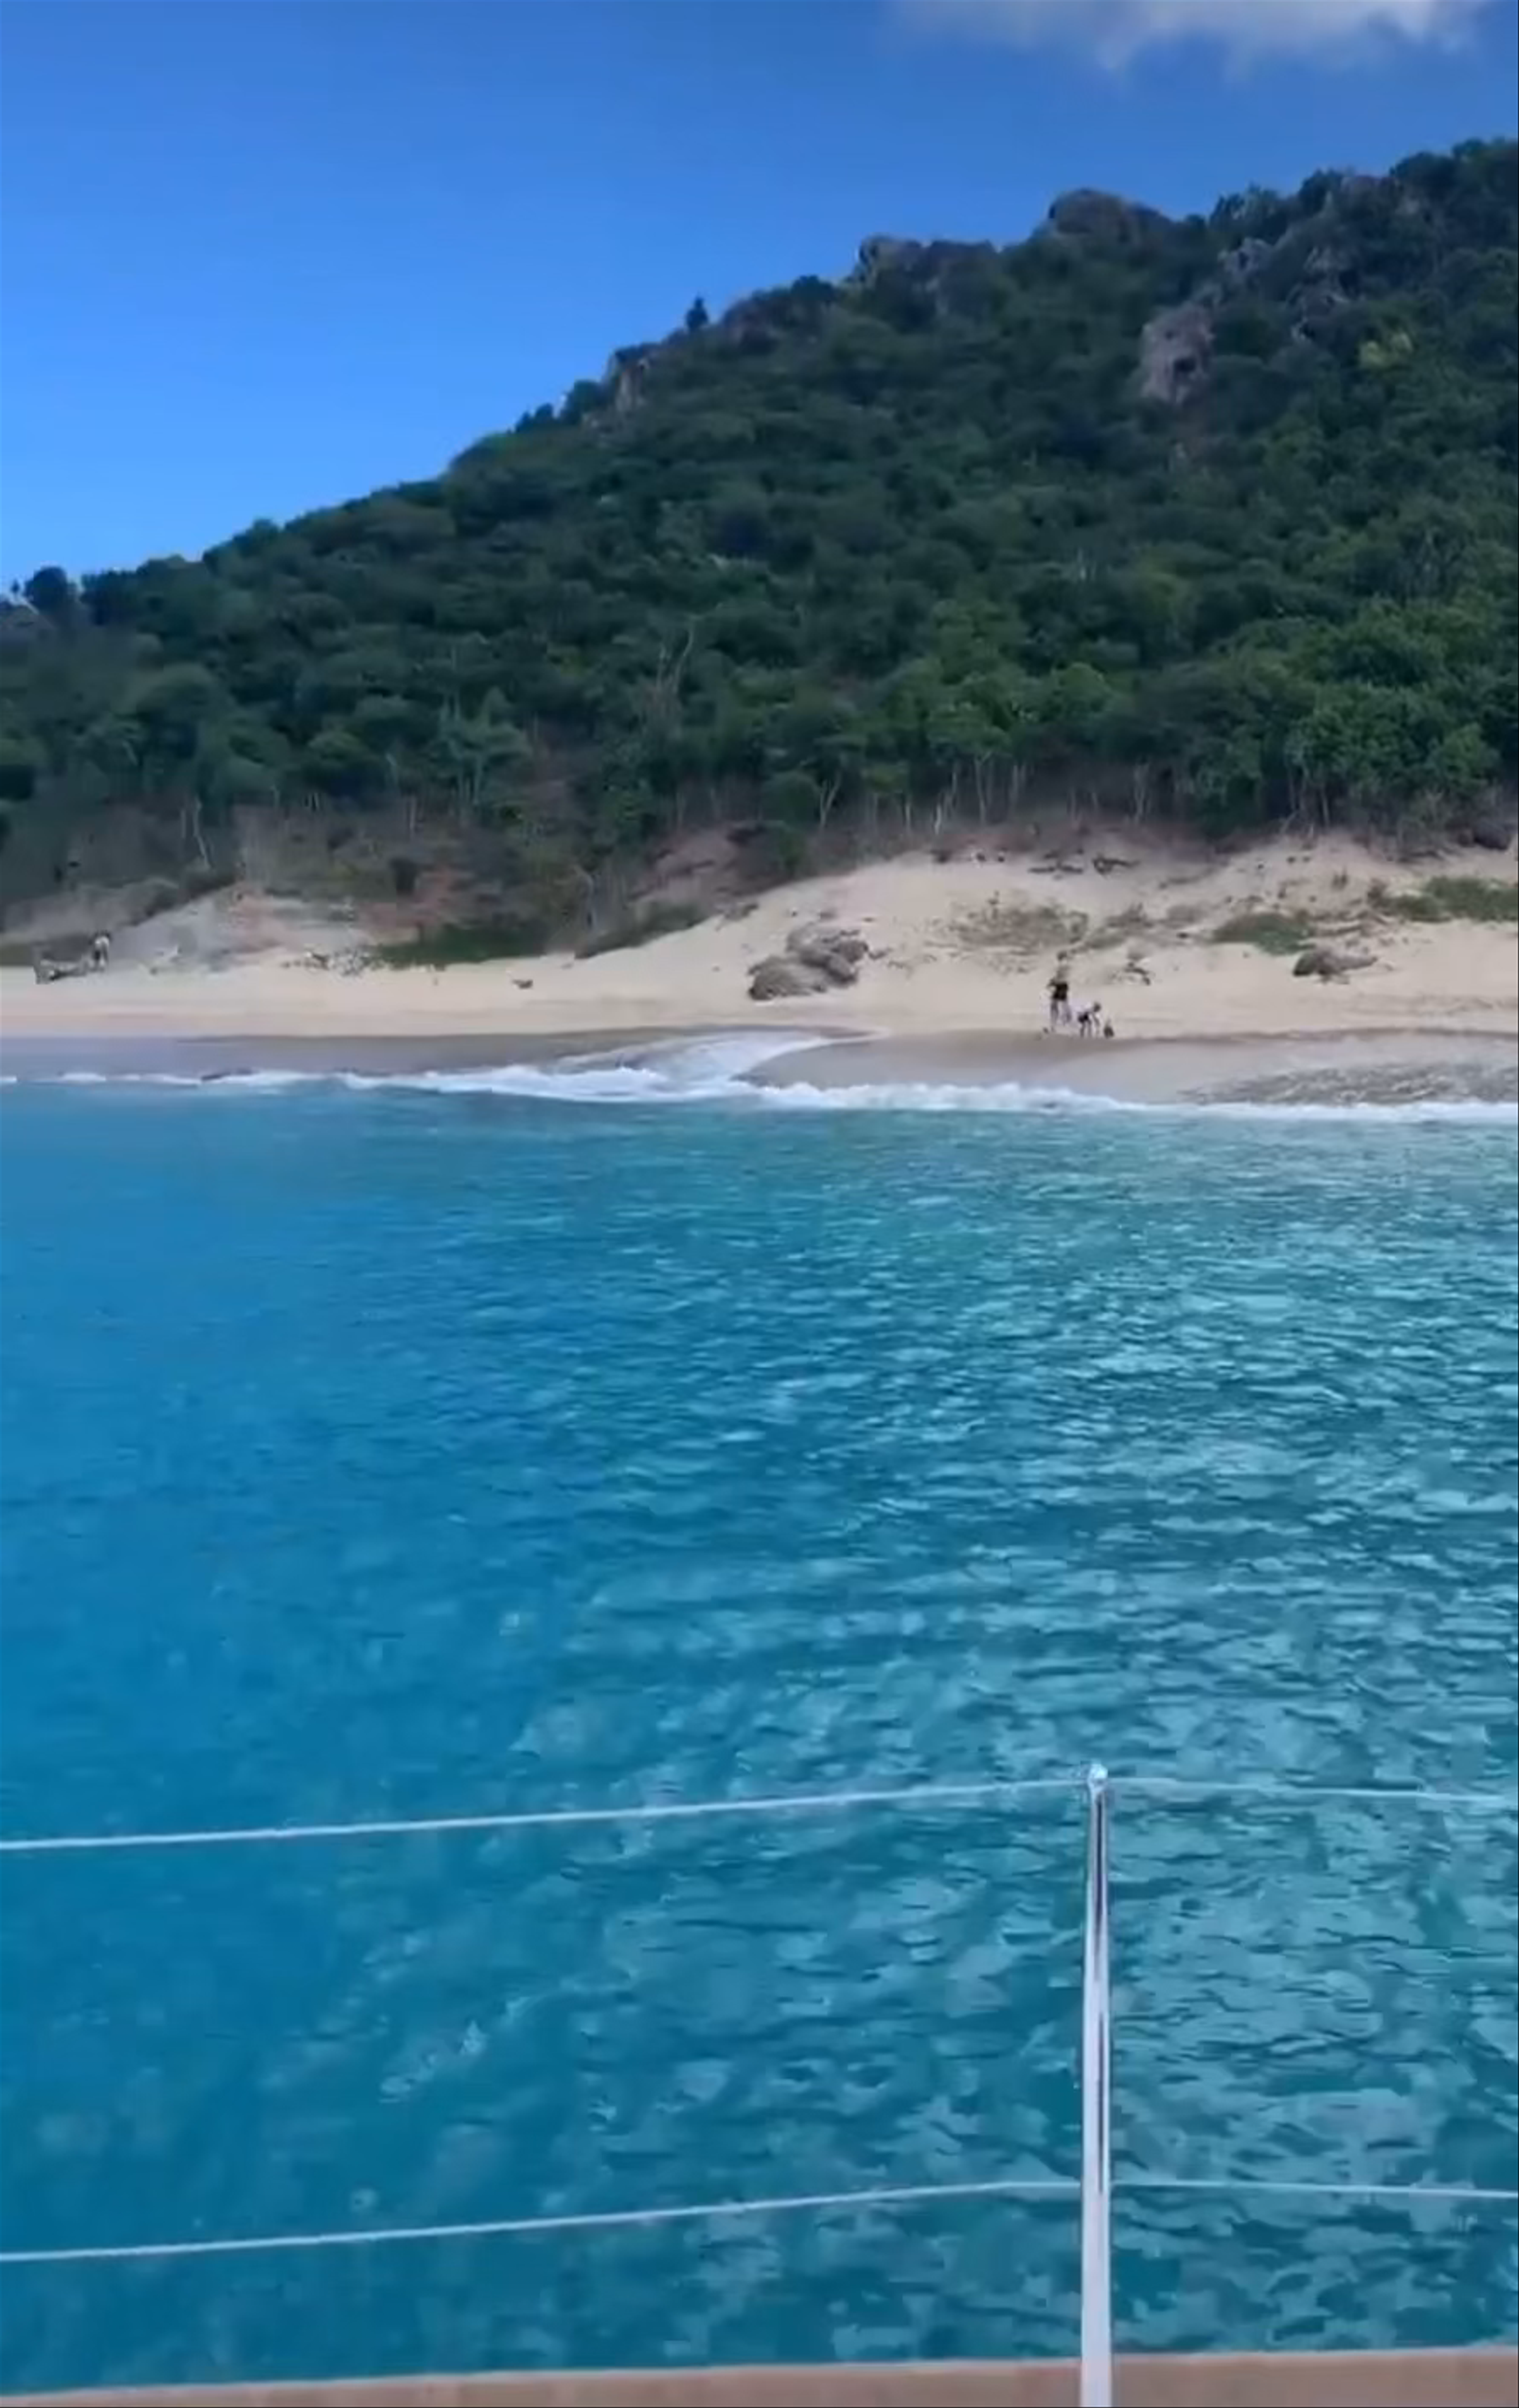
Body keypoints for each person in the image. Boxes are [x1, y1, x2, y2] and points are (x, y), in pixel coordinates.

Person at [1047, 953, 1072, 1033]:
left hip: (1061, 986)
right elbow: (1061, 977)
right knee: (1062, 1004)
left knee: (1055, 1006)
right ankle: (1064, 1022)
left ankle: (1056, 1025)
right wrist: (1052, 982)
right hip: (1062, 986)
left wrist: (1052, 982)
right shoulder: (1065, 966)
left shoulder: (1062, 966)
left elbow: (1060, 977)